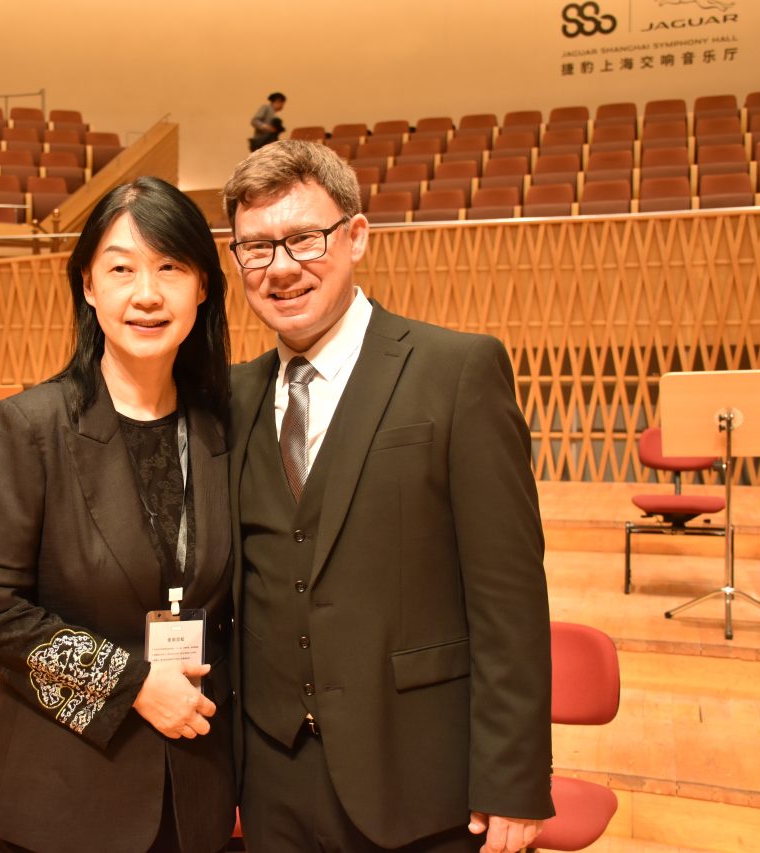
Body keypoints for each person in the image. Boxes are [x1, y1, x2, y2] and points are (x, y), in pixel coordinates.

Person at [222, 139, 554, 853]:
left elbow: (509, 598)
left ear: (356, 236)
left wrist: (513, 778)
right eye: (256, 248)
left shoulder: (457, 371)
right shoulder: (233, 397)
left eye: (304, 238)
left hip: (420, 778)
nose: (281, 267)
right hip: (272, 780)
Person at [0, 176, 236, 853]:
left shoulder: (226, 423)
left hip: (197, 788)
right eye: (121, 269)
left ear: (202, 285)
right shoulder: (33, 424)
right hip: (65, 794)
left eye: (171, 267)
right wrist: (131, 685)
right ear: (88, 285)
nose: (147, 293)